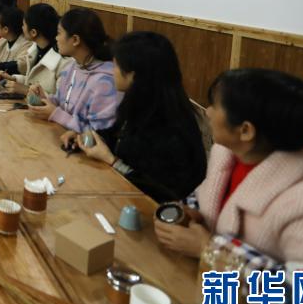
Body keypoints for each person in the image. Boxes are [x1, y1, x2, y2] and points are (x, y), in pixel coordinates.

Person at [155, 69, 303, 304]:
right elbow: (205, 198)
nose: (207, 112)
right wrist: (189, 213)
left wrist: (211, 251)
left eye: (214, 106)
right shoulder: (229, 155)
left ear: (245, 130)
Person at [60, 32, 207, 202]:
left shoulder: (170, 126)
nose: (112, 71)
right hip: (123, 196)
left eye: (116, 65)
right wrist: (86, 137)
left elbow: (160, 191)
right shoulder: (142, 101)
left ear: (133, 75)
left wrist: (112, 161)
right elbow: (116, 134)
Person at [28, 8, 119, 133]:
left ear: (75, 40)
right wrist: (44, 99)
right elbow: (62, 104)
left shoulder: (105, 81)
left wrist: (55, 114)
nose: (56, 38)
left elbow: (97, 135)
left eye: (59, 33)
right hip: (62, 136)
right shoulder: (72, 67)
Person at [0, 3, 71, 96]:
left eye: (23, 25)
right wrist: (14, 79)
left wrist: (26, 91)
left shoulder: (64, 62)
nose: (22, 28)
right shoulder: (36, 50)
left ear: (33, 32)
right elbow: (33, 81)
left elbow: (59, 100)